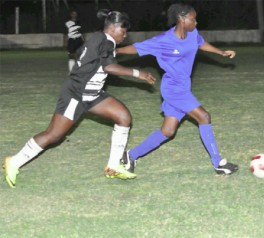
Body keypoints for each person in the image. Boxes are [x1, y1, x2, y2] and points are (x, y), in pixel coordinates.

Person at [3, 9, 156, 188]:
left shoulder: (99, 39)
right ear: (114, 28)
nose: (125, 35)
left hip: (92, 94)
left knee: (123, 117)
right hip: (76, 94)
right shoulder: (105, 41)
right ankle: (14, 161)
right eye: (123, 31)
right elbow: (109, 68)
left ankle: (113, 165)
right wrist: (139, 73)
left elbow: (83, 56)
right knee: (54, 135)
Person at [116, 3, 239, 176]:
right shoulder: (164, 40)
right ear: (181, 19)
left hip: (183, 88)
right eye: (193, 19)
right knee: (204, 116)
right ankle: (218, 163)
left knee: (167, 131)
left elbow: (201, 43)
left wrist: (221, 52)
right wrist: (114, 51)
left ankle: (130, 155)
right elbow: (137, 48)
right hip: (173, 89)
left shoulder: (192, 34)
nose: (196, 23)